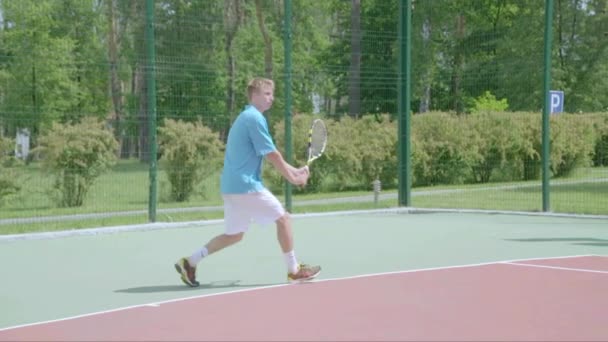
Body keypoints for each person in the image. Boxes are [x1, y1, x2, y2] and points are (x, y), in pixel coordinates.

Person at [174, 77, 321, 287]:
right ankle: (294, 271)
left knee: (234, 235)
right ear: (254, 95)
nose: (272, 98)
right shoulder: (254, 118)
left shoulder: (246, 117)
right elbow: (272, 155)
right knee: (284, 219)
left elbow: (272, 155)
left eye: (273, 94)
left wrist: (296, 171)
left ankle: (190, 262)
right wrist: (293, 177)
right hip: (245, 186)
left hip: (231, 188)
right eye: (267, 94)